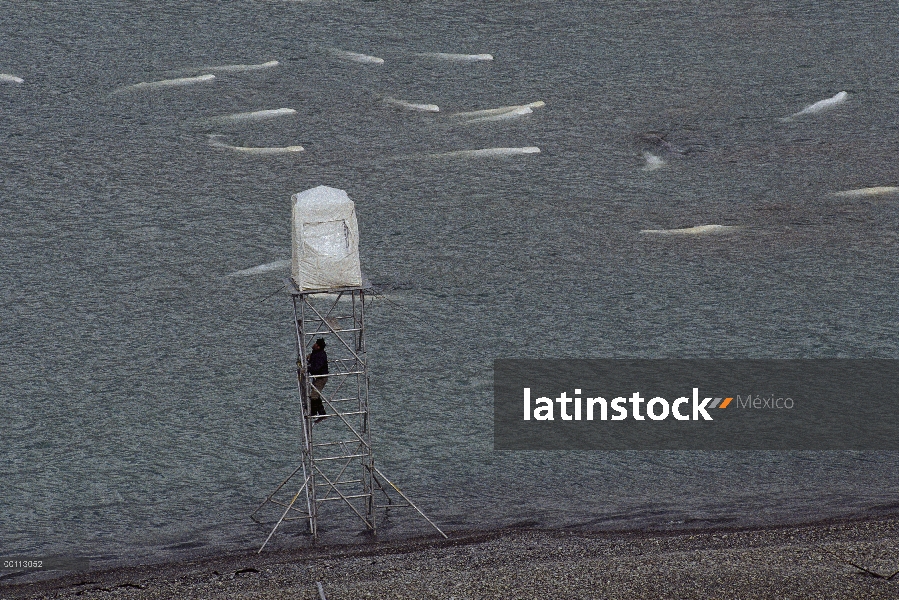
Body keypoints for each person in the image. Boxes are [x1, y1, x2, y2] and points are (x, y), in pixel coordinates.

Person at [306, 338, 329, 423]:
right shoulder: (316, 353)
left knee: (313, 396)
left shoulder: (321, 355)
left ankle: (313, 413)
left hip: (321, 378)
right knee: (316, 395)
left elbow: (316, 368)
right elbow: (313, 358)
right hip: (318, 377)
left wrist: (308, 369)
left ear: (318, 346)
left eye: (316, 343)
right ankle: (322, 414)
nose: (314, 344)